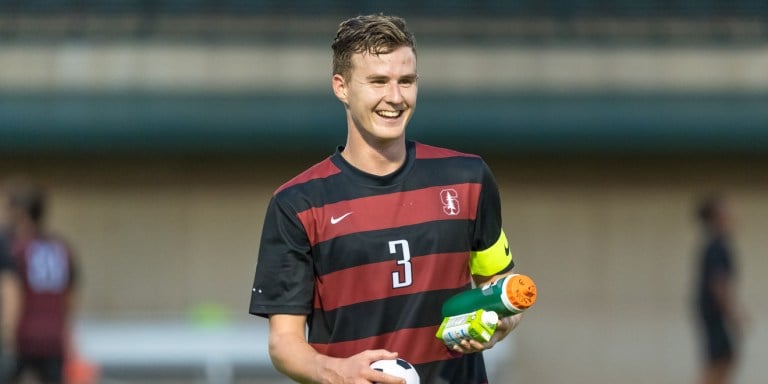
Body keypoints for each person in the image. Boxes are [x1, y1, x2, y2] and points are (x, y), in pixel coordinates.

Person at [249, 14, 523, 383]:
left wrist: (500, 320)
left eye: (405, 81)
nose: (395, 97)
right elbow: (283, 344)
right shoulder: (298, 203)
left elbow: (499, 284)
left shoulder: (468, 178)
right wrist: (337, 371)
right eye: (378, 81)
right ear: (341, 87)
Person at [3, 180, 78, 384]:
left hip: (24, 338)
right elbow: (70, 300)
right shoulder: (62, 249)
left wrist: (8, 337)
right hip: (54, 338)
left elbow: (12, 295)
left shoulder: (14, 249)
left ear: (21, 213)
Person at [694, 195, 744, 384]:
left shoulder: (717, 244)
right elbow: (718, 284)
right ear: (717, 217)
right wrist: (734, 313)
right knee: (720, 360)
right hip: (713, 312)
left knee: (725, 357)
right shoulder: (717, 246)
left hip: (711, 312)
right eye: (726, 209)